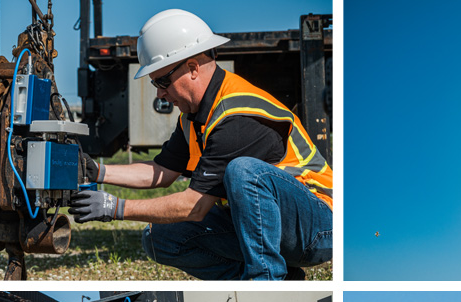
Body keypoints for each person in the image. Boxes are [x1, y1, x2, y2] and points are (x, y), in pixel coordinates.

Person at [70, 9, 333, 281]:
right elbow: (163, 171)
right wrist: (97, 171)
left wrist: (115, 208)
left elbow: (194, 207)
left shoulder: (236, 116)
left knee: (244, 172)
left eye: (162, 81)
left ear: (193, 68)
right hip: (283, 225)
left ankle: (265, 281)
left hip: (319, 228)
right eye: (154, 83)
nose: (160, 93)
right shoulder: (193, 118)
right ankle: (283, 280)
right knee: (159, 238)